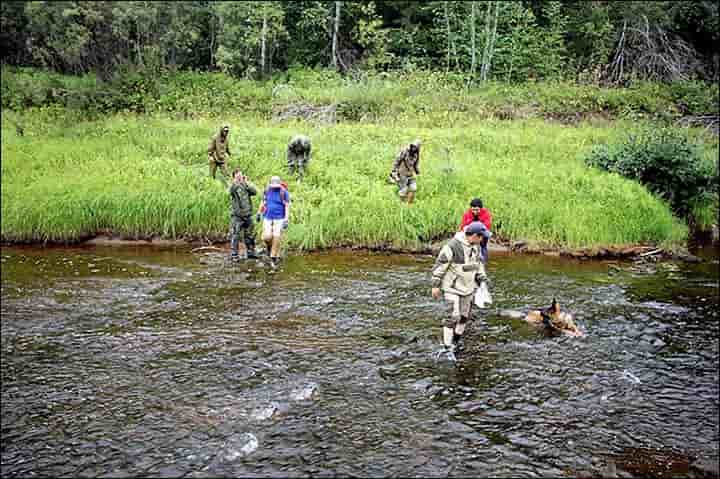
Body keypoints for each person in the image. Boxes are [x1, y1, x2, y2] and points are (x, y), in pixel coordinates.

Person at [431, 221, 492, 362]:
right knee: (452, 316)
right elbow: (440, 266)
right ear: (475, 235)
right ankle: (447, 348)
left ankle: (455, 343)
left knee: (464, 317)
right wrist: (435, 285)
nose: (483, 240)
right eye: (482, 237)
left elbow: (479, 264)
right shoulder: (452, 246)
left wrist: (482, 278)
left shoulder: (476, 247)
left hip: (468, 287)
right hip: (451, 287)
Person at [256, 176, 291, 266]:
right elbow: (263, 202)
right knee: (266, 237)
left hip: (279, 218)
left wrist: (286, 220)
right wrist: (259, 213)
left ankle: (273, 257)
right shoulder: (267, 190)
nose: (275, 187)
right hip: (267, 217)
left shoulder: (284, 192)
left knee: (276, 236)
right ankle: (269, 247)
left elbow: (287, 207)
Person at [228, 169, 258, 261]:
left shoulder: (245, 185)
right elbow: (231, 191)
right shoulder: (233, 186)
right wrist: (235, 182)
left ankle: (250, 252)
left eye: (241, 176)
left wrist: (246, 182)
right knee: (235, 235)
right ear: (234, 177)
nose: (240, 178)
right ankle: (234, 255)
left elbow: (254, 192)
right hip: (237, 216)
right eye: (238, 176)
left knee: (249, 234)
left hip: (248, 214)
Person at [459, 198, 493, 264]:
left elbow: (487, 226)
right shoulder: (467, 214)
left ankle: (483, 263)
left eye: (477, 210)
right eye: (473, 210)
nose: (475, 212)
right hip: (471, 234)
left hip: (482, 233)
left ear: (481, 208)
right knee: (469, 247)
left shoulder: (486, 214)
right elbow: (463, 226)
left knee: (483, 247)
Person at [390, 139, 421, 203]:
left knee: (413, 188)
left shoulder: (416, 154)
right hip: (402, 174)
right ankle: (401, 204)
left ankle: (409, 204)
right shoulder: (405, 151)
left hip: (410, 174)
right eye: (413, 146)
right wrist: (394, 171)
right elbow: (397, 160)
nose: (414, 148)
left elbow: (415, 164)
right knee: (403, 190)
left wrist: (417, 171)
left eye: (415, 147)